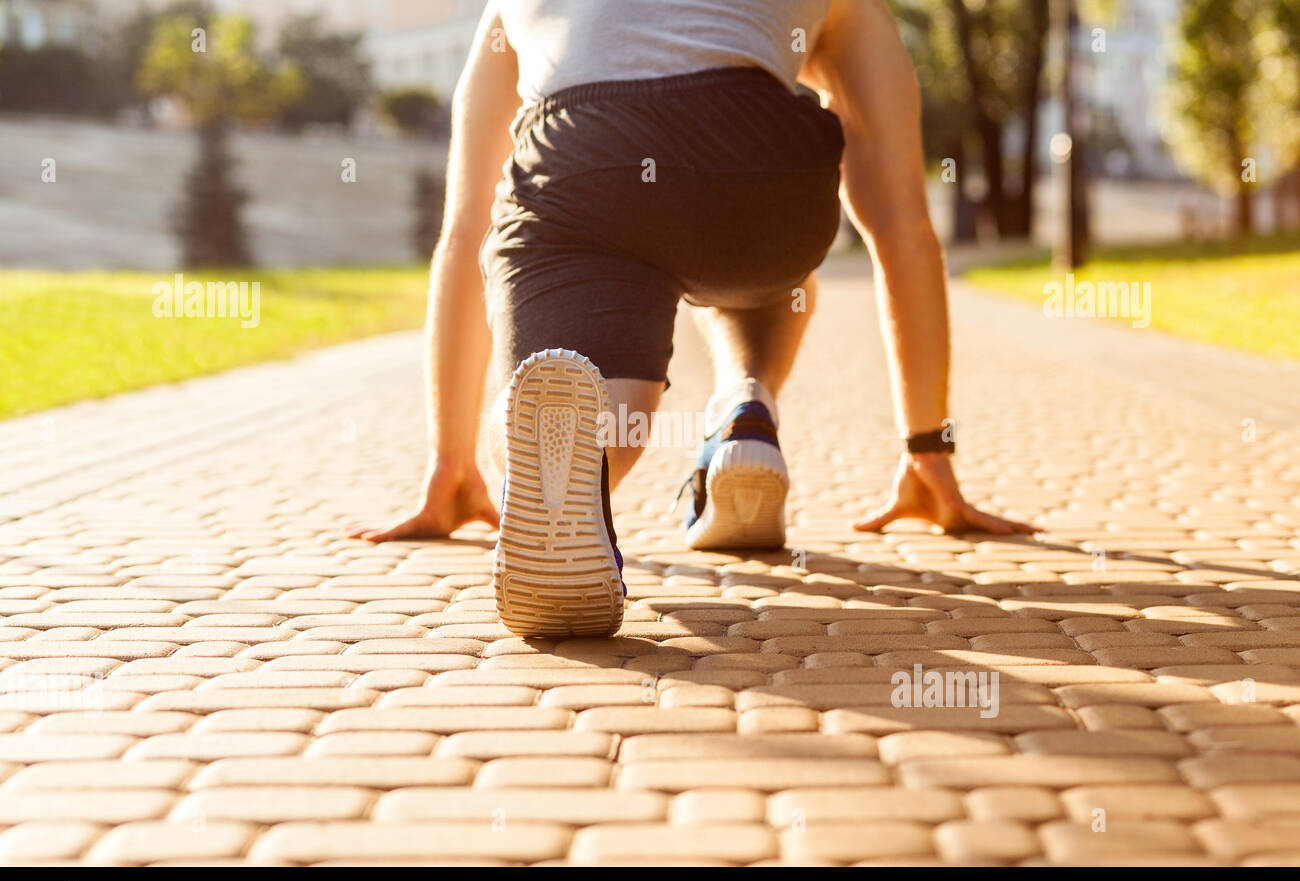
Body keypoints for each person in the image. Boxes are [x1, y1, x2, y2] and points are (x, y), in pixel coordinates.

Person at [348, 0, 1039, 636]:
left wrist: (449, 461)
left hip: (586, 163)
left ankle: (567, 468)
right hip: (763, 175)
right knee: (772, 285)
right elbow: (902, 226)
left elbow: (464, 228)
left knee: (587, 399)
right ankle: (745, 411)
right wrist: (928, 449)